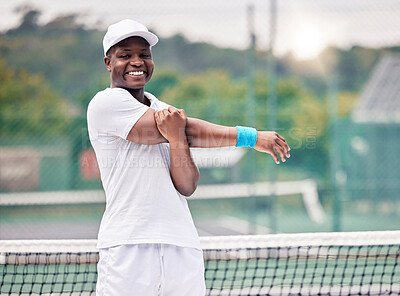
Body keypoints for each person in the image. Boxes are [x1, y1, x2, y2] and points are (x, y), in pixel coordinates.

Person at [87, 19, 290, 296]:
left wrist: (176, 136)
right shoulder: (104, 104)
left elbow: (187, 185)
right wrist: (251, 137)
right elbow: (191, 130)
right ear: (108, 63)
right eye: (125, 55)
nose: (137, 62)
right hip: (129, 245)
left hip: (181, 245)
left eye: (144, 55)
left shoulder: (165, 110)